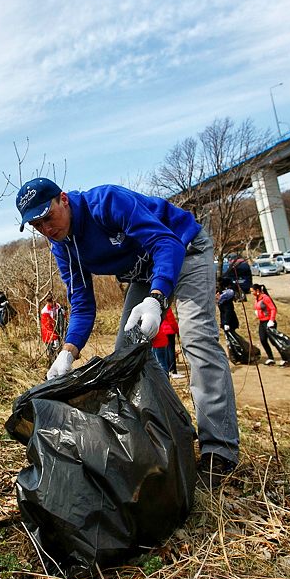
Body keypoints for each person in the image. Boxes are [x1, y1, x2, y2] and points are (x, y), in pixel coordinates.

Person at [15, 177, 238, 488]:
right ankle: (162, 437)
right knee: (126, 354)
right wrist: (67, 352)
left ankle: (220, 450)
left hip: (183, 248)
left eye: (48, 217)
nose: (47, 229)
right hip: (144, 271)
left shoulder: (105, 203)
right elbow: (81, 302)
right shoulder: (63, 246)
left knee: (197, 339)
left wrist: (157, 299)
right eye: (38, 226)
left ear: (63, 199)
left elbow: (166, 243)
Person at [250, 284, 286, 366]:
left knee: (274, 341)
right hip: (262, 322)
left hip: (268, 322)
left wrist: (271, 320)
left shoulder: (265, 298)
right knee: (263, 340)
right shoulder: (257, 298)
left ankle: (284, 358)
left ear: (257, 290)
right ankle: (270, 358)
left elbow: (273, 309)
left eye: (252, 291)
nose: (251, 293)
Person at [152, 306, 183, 379]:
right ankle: (173, 370)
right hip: (168, 332)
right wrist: (178, 330)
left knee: (164, 356)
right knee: (171, 352)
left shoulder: (155, 309)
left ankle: (170, 370)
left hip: (161, 331)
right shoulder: (166, 308)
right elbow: (171, 320)